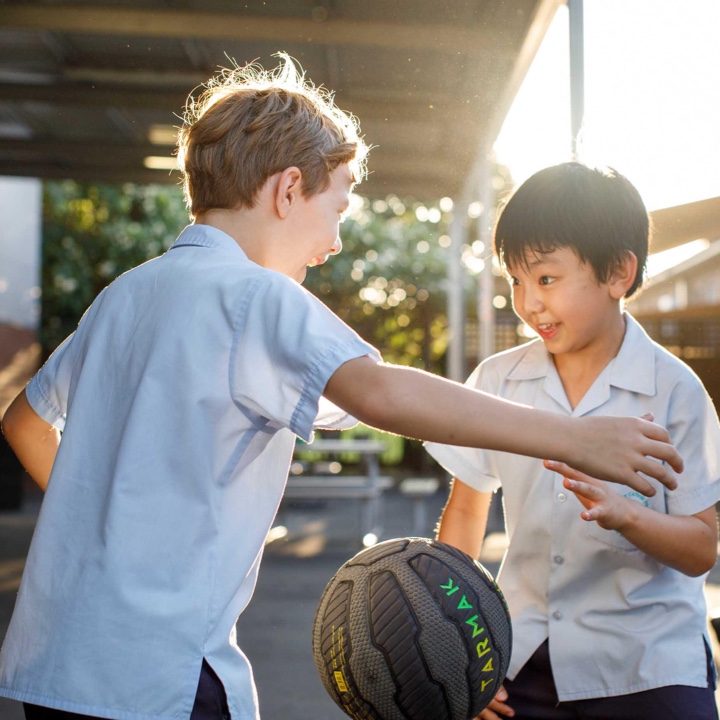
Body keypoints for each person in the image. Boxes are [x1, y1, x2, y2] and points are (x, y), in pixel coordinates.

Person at [0, 57, 683, 720]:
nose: (334, 242)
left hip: (55, 665)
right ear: (287, 190)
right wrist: (575, 436)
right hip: (157, 677)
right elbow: (381, 394)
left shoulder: (127, 294)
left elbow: (24, 422)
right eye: (339, 207)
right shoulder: (257, 299)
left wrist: (112, 532)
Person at [426, 162, 720, 720]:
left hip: (648, 666)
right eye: (515, 280)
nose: (527, 302)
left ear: (617, 273)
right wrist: (463, 654)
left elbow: (701, 547)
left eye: (546, 278)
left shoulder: (676, 390)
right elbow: (465, 515)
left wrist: (626, 516)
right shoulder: (497, 381)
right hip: (524, 659)